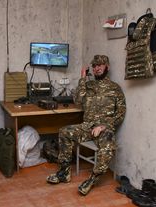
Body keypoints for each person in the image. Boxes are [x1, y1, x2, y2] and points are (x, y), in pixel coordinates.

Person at [46, 54, 126, 196]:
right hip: (87, 127)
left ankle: (92, 179)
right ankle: (64, 172)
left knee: (108, 146)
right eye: (94, 66)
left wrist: (104, 126)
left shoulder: (115, 88)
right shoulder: (88, 85)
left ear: (107, 67)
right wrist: (83, 78)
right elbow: (77, 100)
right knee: (64, 131)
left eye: (100, 65)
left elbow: (120, 113)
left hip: (104, 129)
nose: (97, 68)